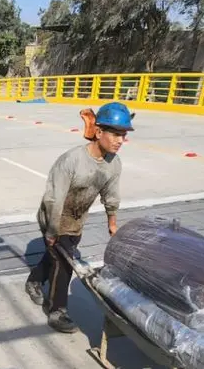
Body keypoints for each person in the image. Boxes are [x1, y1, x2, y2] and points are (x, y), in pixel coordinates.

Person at [26, 101, 133, 333]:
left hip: (75, 220)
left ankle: (34, 281)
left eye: (123, 136)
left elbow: (111, 194)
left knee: (57, 257)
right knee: (64, 263)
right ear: (98, 132)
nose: (119, 141)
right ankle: (57, 311)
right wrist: (52, 231)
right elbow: (54, 199)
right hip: (53, 216)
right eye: (115, 134)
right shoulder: (71, 160)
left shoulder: (114, 164)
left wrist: (112, 223)